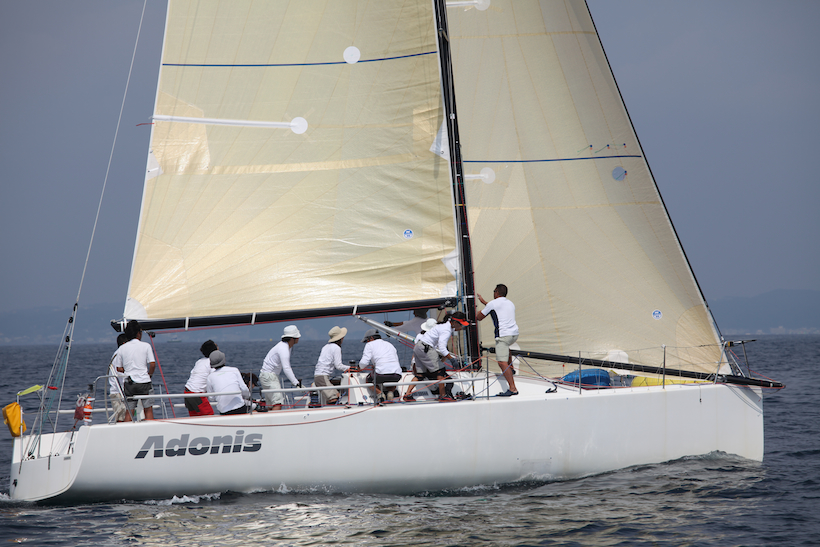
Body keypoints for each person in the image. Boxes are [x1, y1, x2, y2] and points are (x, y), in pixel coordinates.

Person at [404, 312, 468, 402]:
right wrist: (452, 359)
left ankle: (407, 395)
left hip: (418, 347)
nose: (461, 326)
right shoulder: (446, 330)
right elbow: (442, 348)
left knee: (420, 374)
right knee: (441, 371)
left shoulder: (444, 325)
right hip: (426, 348)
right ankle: (443, 396)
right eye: (461, 324)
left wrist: (462, 327)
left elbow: (454, 329)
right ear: (455, 322)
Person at [477, 284, 520, 396]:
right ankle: (511, 368)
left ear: (496, 292)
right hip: (514, 335)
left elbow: (479, 317)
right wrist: (484, 302)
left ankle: (513, 388)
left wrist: (476, 311)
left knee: (501, 362)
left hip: (503, 336)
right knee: (506, 347)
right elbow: (496, 308)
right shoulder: (510, 303)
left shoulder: (492, 304)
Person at [114, 320, 157, 421]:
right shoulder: (146, 346)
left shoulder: (122, 348)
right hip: (144, 382)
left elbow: (118, 368)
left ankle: (126, 430)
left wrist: (128, 370)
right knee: (148, 410)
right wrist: (149, 375)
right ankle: (150, 429)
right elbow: (152, 364)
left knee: (129, 411)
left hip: (129, 383)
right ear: (138, 333)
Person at [260, 325, 302, 411]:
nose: (298, 338)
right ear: (292, 338)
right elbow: (286, 368)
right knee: (278, 403)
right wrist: (296, 383)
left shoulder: (284, 346)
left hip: (267, 376)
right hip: (270, 377)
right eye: (297, 337)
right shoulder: (284, 348)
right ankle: (276, 420)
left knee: (271, 404)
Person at [313, 326, 355, 405]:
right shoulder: (336, 348)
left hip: (319, 376)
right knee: (334, 397)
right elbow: (338, 365)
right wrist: (352, 368)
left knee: (337, 395)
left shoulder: (325, 347)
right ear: (341, 338)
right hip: (322, 377)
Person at [359, 329, 402, 403]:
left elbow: (364, 363)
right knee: (392, 378)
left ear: (371, 338)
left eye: (367, 340)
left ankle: (380, 394)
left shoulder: (369, 345)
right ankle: (390, 392)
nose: (367, 342)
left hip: (381, 375)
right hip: (397, 375)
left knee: (368, 380)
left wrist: (359, 367)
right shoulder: (389, 344)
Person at [206, 350, 250, 415]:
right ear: (224, 359)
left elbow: (211, 398)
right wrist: (247, 396)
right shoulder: (234, 370)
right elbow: (244, 388)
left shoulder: (210, 377)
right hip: (240, 407)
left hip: (224, 411)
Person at [184, 340, 217, 416]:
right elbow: (214, 378)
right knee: (209, 416)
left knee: (195, 417)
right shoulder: (211, 363)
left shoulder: (199, 361)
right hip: (197, 393)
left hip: (187, 391)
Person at [107, 333, 128, 423]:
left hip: (121, 390)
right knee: (121, 417)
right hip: (118, 391)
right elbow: (120, 372)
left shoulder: (118, 354)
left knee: (125, 416)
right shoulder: (119, 355)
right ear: (124, 344)